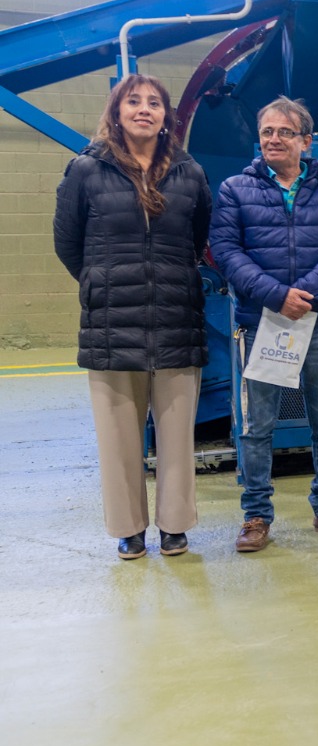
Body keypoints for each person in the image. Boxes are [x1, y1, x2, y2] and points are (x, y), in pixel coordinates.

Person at [53, 75, 211, 561]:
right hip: (111, 324)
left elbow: (197, 238)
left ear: (166, 116)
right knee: (118, 438)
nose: (144, 109)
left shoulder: (189, 173)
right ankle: (129, 529)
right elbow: (68, 243)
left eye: (154, 103)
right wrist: (100, 281)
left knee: (177, 435)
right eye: (134, 101)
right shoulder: (86, 170)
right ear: (116, 112)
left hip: (176, 319)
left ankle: (175, 525)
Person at [210, 97, 318, 552]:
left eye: (284, 132)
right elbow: (227, 252)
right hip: (263, 323)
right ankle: (256, 514)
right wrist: (276, 296)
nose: (274, 139)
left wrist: (304, 296)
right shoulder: (235, 190)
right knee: (258, 425)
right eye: (267, 132)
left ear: (306, 141)